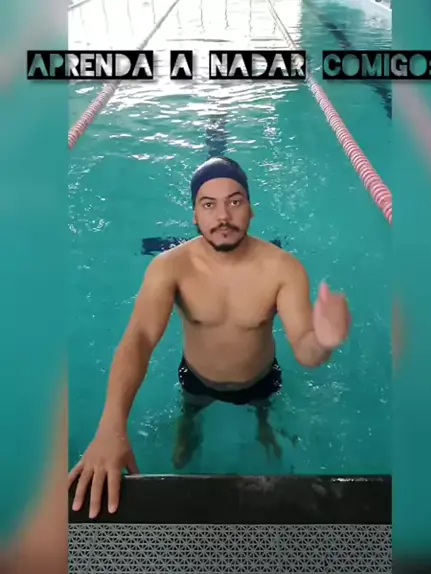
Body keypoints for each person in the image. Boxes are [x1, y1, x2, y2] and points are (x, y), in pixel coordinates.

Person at [68, 156, 351, 519]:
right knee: (191, 408)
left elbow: (305, 349)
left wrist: (324, 340)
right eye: (209, 205)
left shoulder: (283, 269)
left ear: (251, 209)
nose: (223, 216)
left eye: (235, 201)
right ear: (194, 216)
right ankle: (188, 427)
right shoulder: (170, 267)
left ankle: (263, 424)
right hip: (197, 377)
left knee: (263, 408)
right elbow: (139, 338)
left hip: (262, 377)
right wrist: (111, 427)